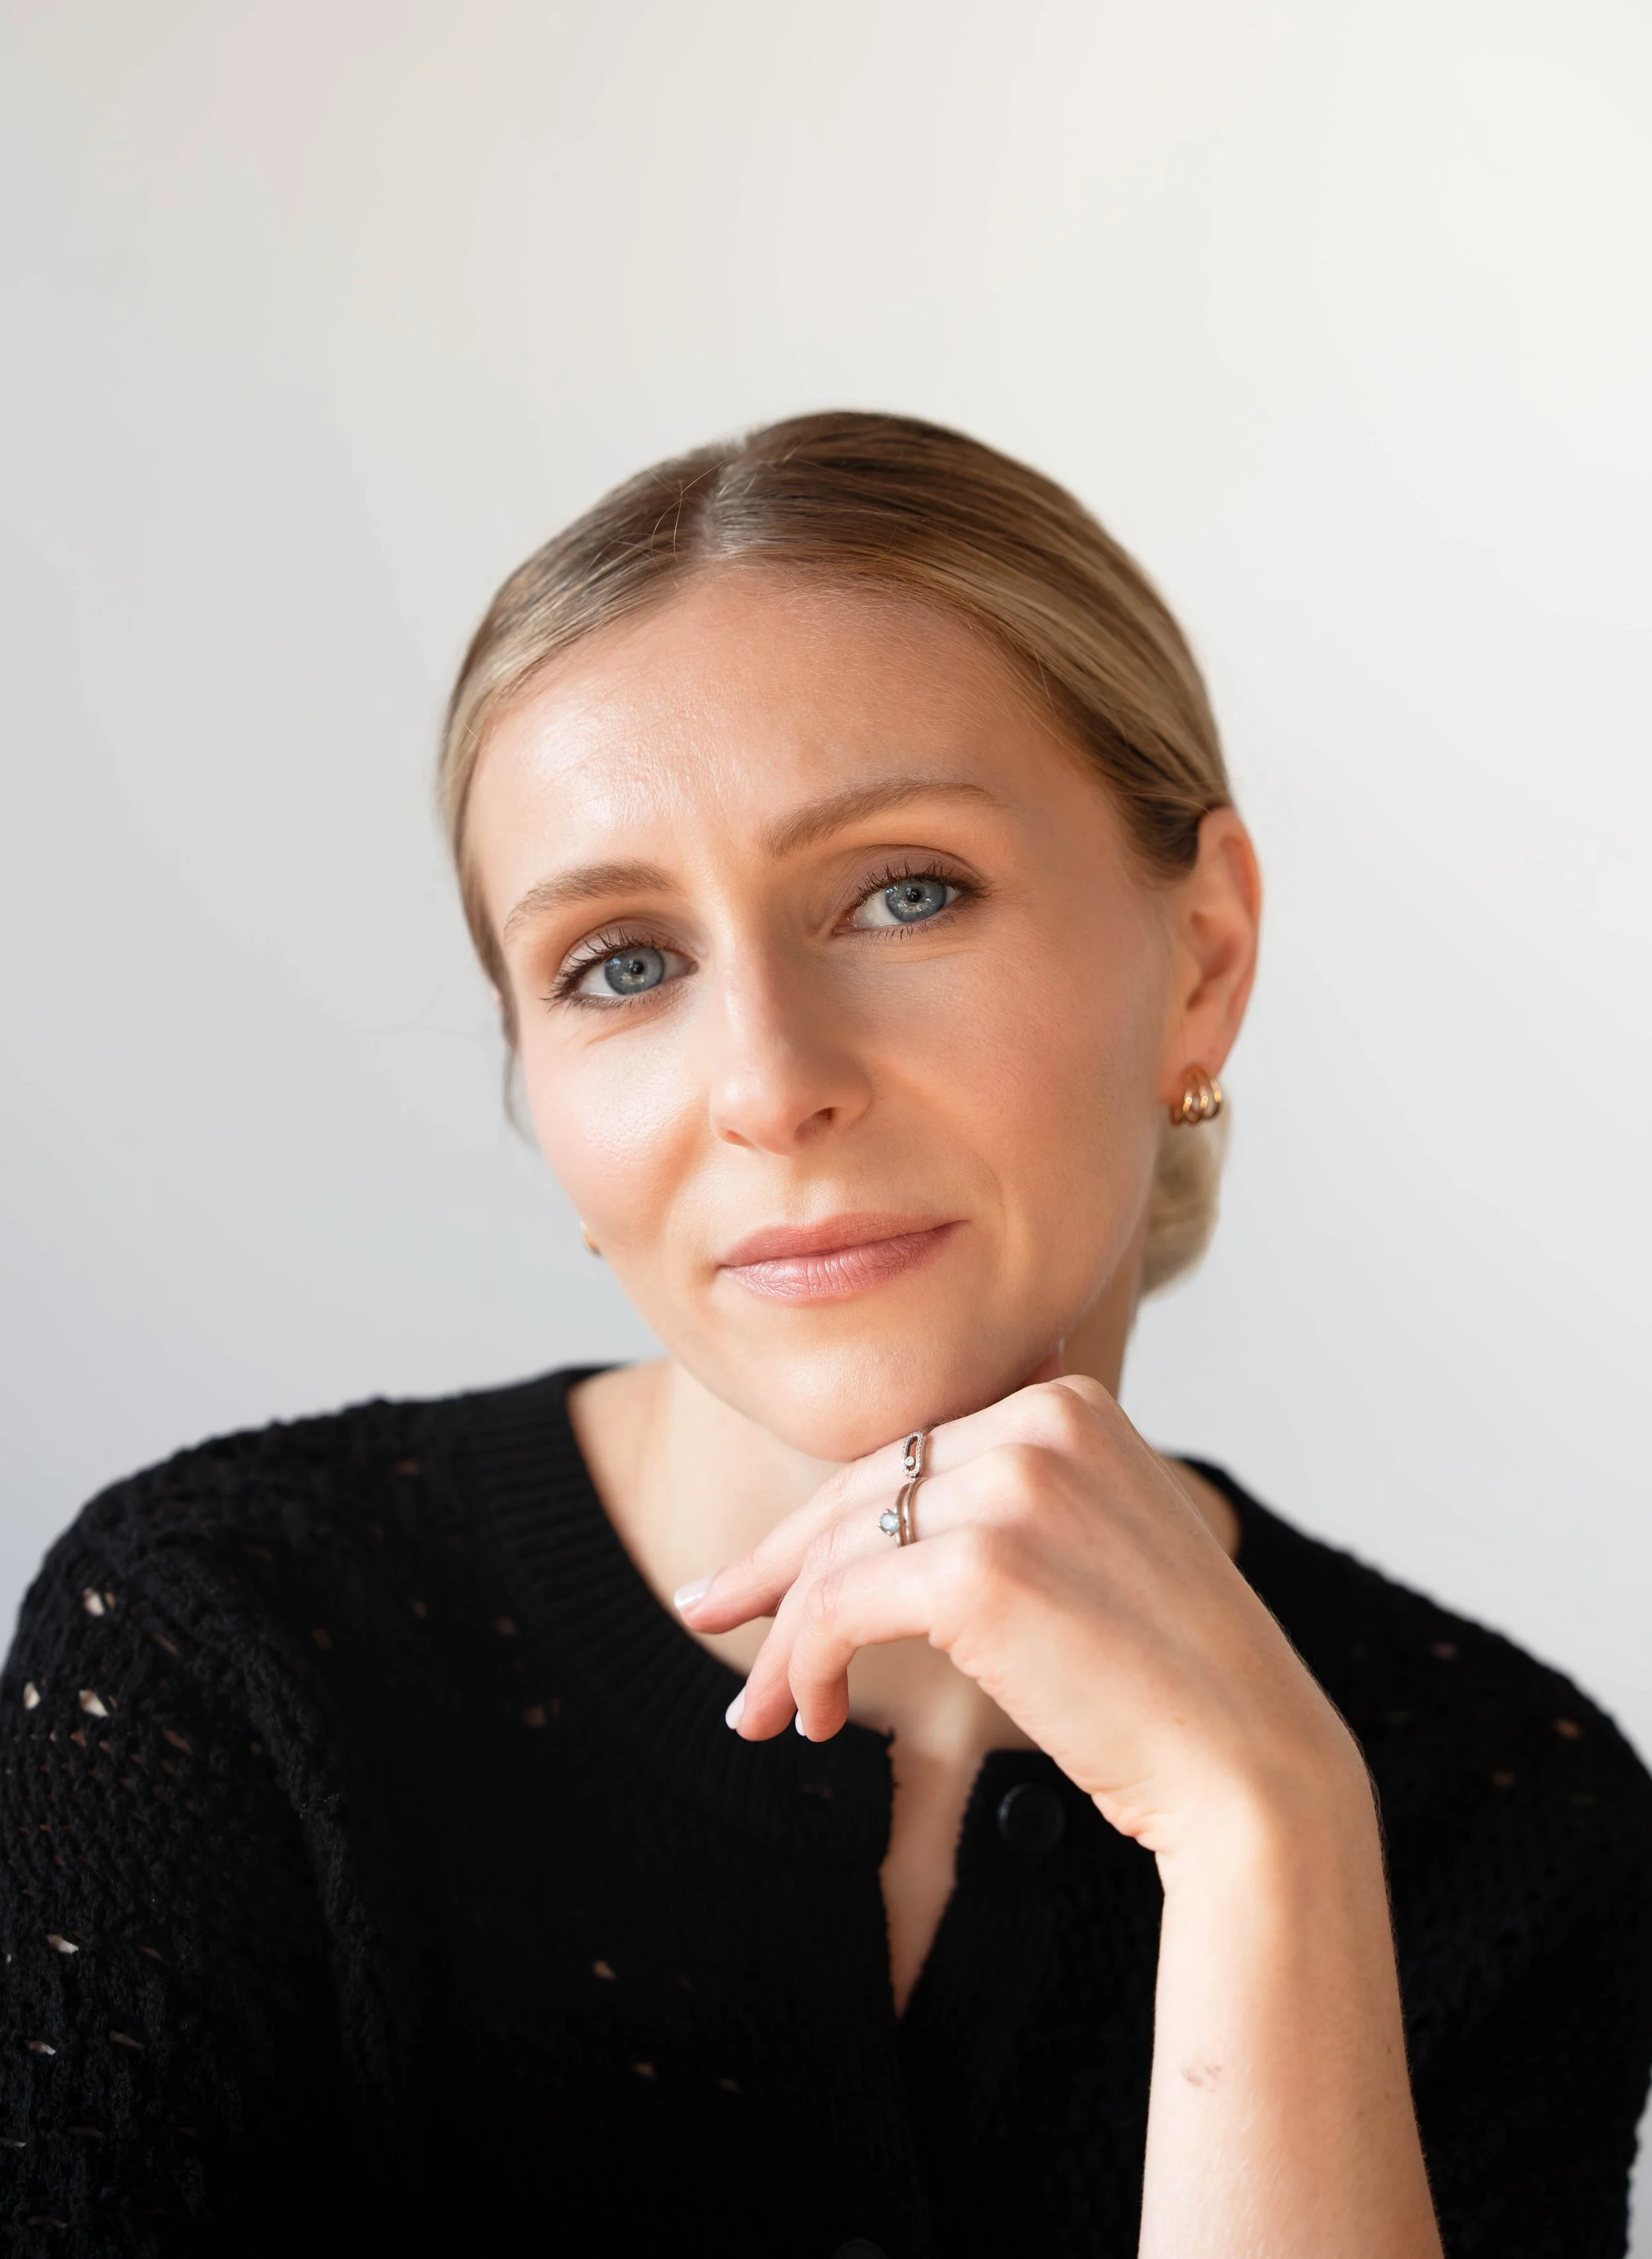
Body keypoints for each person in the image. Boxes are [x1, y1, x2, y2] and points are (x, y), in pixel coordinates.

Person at [3, 414, 1649, 2258]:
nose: (770, 1084)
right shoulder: (214, 1641)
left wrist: (1261, 1843)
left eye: (902, 890)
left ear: (1201, 956)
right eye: (620, 964)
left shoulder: (1500, 1798)